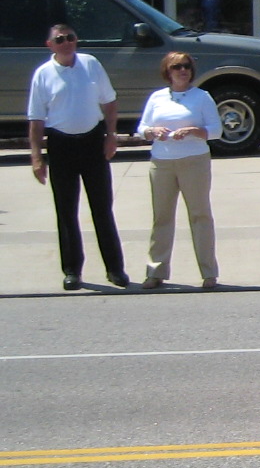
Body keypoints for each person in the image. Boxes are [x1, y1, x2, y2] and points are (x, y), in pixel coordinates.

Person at [26, 21, 126, 290]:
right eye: (59, 39)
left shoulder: (91, 64)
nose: (66, 42)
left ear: (76, 39)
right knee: (66, 211)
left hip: (93, 142)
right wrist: (36, 156)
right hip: (61, 145)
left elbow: (110, 102)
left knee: (102, 208)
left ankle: (115, 269)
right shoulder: (43, 74)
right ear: (50, 45)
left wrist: (111, 135)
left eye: (70, 37)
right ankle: (72, 270)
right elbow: (36, 119)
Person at [137, 53, 221, 290]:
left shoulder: (201, 97)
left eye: (186, 66)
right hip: (162, 161)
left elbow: (216, 130)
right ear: (168, 71)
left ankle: (209, 273)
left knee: (200, 215)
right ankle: (155, 271)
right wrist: (153, 131)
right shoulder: (157, 98)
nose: (182, 71)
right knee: (162, 217)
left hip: (194, 160)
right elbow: (141, 128)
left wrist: (195, 130)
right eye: (176, 67)